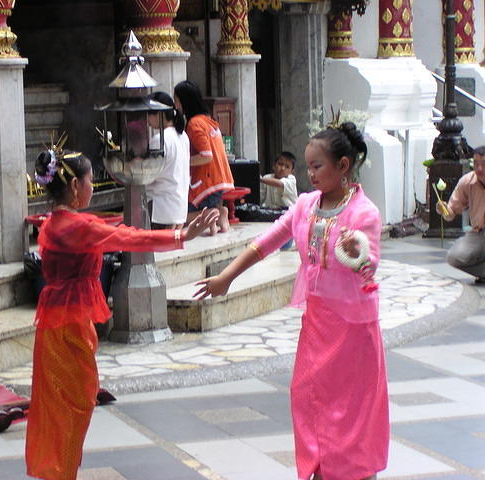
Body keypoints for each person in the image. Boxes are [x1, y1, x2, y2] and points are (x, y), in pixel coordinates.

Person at [195, 122, 389, 480]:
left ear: (343, 166)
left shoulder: (364, 213)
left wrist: (357, 254)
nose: (311, 174)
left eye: (318, 166)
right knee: (308, 398)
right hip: (317, 325)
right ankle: (319, 468)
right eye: (308, 166)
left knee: (350, 411)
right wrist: (226, 277)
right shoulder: (305, 205)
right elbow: (267, 242)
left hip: (353, 332)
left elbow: (369, 265)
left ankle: (354, 472)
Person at [25, 141, 218, 480]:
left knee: (64, 401)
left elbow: (111, 228)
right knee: (76, 401)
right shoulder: (75, 228)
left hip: (60, 321)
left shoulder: (58, 221)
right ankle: (61, 471)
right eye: (89, 180)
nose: (91, 185)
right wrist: (180, 234)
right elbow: (126, 237)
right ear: (74, 186)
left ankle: (58, 469)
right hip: (65, 324)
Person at [173, 80, 234, 235]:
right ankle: (218, 214)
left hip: (207, 180)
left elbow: (206, 156)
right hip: (218, 178)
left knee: (180, 217)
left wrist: (181, 161)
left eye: (176, 99)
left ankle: (213, 215)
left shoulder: (194, 123)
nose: (175, 103)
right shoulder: (207, 120)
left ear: (183, 100)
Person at [437, 145, 485, 284]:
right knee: (455, 257)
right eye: (476, 164)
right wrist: (443, 209)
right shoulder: (467, 181)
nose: (479, 168)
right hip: (479, 232)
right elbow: (451, 213)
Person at [145, 91, 190, 230]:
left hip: (160, 206)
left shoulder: (160, 139)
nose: (147, 119)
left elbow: (150, 176)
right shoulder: (183, 136)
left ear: (159, 114)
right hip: (178, 206)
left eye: (149, 114)